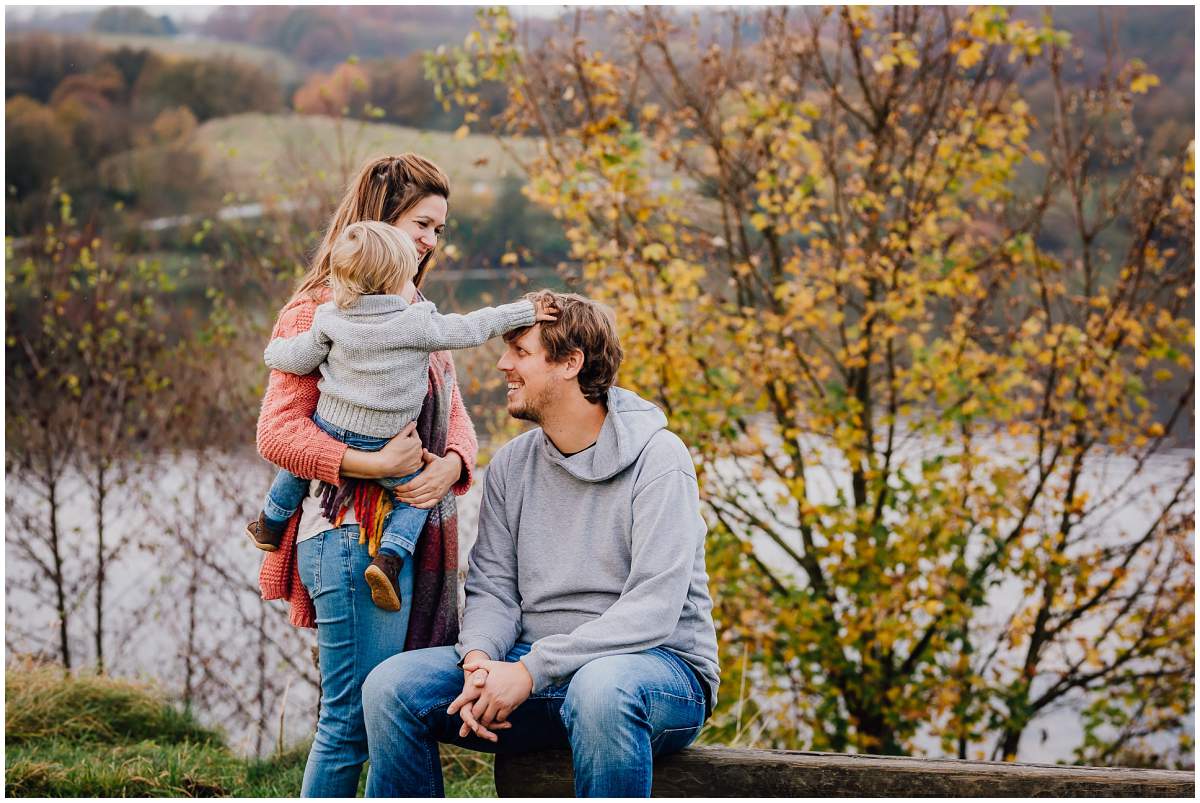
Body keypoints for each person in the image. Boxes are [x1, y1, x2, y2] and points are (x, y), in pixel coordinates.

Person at [361, 292, 721, 797]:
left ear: (571, 363)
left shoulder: (660, 459)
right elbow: (493, 590)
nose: (503, 363)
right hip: (536, 672)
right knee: (390, 688)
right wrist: (481, 660)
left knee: (601, 690)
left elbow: (653, 611)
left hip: (657, 670)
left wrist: (529, 671)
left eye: (520, 351)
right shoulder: (513, 464)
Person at [256, 154, 478, 797]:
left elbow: (456, 418)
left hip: (407, 536)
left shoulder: (414, 313)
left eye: (439, 228)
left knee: (390, 719)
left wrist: (453, 468)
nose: (431, 242)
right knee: (353, 723)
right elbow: (278, 433)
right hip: (350, 536)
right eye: (420, 224)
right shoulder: (319, 311)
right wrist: (373, 464)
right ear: (378, 220)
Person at [248, 221, 554, 611]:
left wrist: (273, 351)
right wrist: (526, 310)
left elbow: (299, 357)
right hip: (390, 440)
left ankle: (271, 521)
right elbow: (476, 327)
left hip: (334, 425)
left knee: (301, 466)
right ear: (400, 279)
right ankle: (389, 558)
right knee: (416, 498)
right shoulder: (416, 322)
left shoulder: (330, 318)